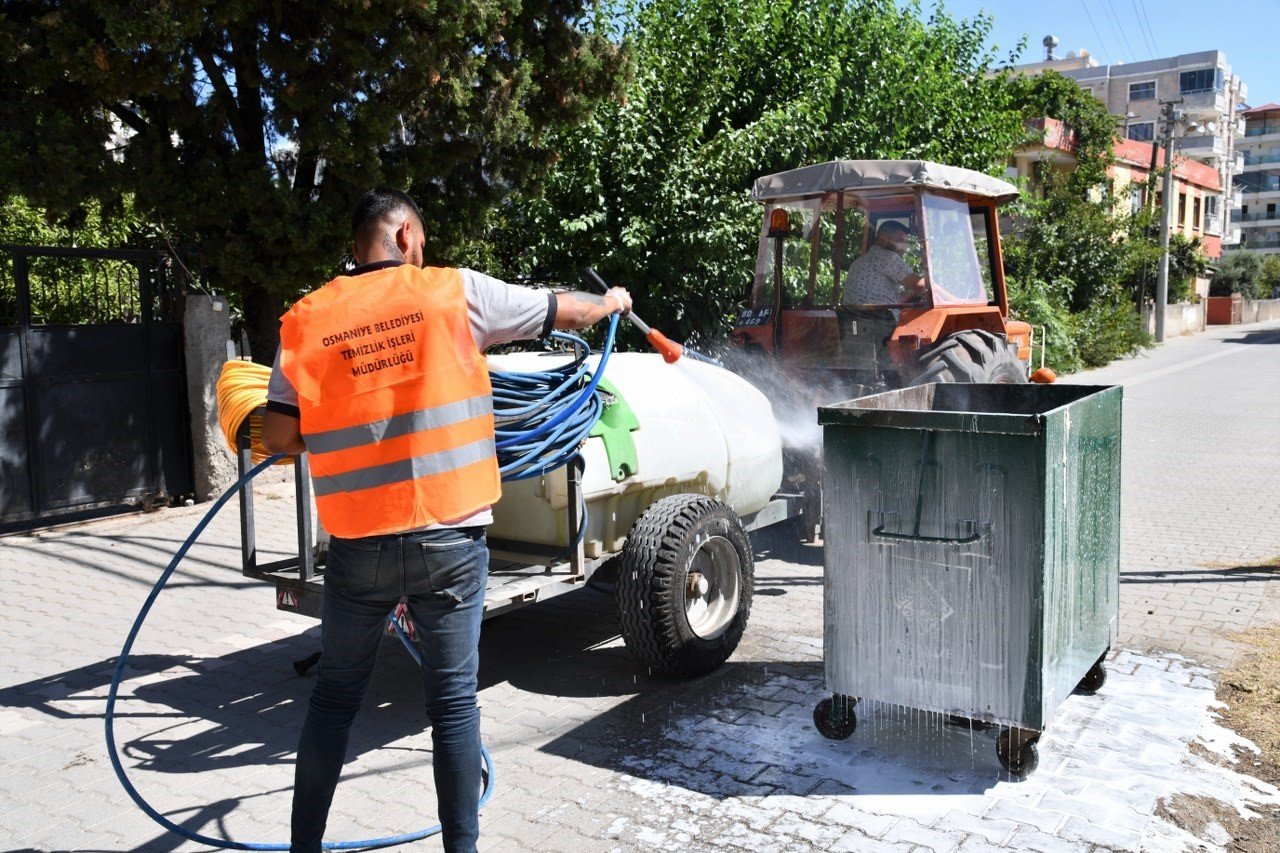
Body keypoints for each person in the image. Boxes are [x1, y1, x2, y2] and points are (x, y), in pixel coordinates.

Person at [261, 188, 632, 853]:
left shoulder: (306, 319)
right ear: (405, 236)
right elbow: (564, 310)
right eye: (422, 242)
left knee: (334, 702)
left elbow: (280, 437)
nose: (423, 252)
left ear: (358, 245)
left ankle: (303, 849)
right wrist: (611, 303)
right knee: (453, 706)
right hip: (449, 538)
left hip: (358, 544)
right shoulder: (454, 293)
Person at [838, 220, 926, 378]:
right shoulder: (888, 257)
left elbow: (880, 298)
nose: (903, 247)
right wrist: (934, 277)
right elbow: (920, 286)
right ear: (882, 238)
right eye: (900, 240)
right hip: (880, 327)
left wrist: (909, 294)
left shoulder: (858, 263)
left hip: (855, 328)